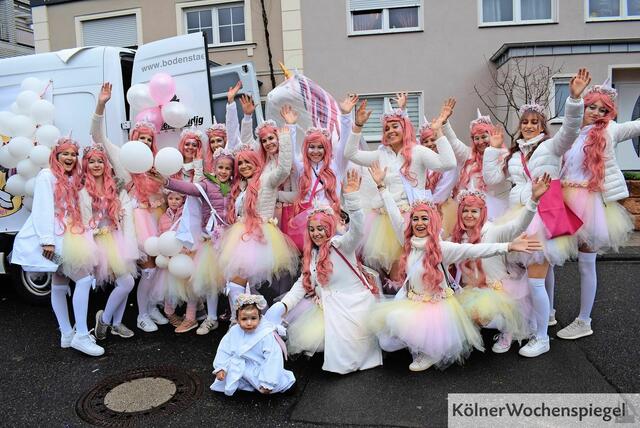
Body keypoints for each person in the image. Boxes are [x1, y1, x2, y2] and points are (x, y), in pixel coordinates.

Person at [483, 68, 592, 357]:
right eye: (525, 122)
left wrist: (574, 99)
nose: (529, 126)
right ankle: (530, 325)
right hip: (518, 218)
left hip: (541, 221)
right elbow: (492, 179)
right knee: (526, 281)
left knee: (534, 281)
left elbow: (570, 129)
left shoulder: (551, 147)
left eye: (535, 122)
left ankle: (542, 338)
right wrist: (492, 150)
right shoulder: (515, 154)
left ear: (543, 126)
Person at [370, 198, 543, 371]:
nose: (419, 223)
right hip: (411, 301)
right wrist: (382, 187)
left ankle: (431, 351)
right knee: (386, 343)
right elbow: (395, 217)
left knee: (401, 324)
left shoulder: (442, 248)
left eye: (425, 218)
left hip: (434, 308)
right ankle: (421, 344)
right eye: (415, 219)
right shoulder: (409, 243)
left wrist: (509, 246)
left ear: (432, 221)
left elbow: (475, 250)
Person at [266, 170, 382, 374]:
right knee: (329, 349)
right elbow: (302, 284)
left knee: (353, 357)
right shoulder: (312, 255)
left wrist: (353, 199)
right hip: (330, 306)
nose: (316, 233)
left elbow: (357, 231)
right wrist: (282, 306)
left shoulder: (341, 245)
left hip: (354, 306)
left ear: (330, 228)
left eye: (321, 228)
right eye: (312, 229)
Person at [555, 80, 639, 340]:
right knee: (549, 257)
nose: (597, 113)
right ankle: (546, 312)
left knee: (585, 262)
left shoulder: (610, 131)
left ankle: (584, 320)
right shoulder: (570, 133)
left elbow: (635, 126)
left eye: (604, 110)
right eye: (592, 107)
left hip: (589, 203)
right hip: (562, 199)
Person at [343, 100, 457, 276]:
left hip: (413, 219)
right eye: (386, 129)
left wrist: (438, 130)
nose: (390, 131)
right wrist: (358, 126)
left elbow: (448, 163)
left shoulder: (418, 151)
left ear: (405, 128)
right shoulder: (380, 154)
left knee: (417, 268)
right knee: (394, 273)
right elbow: (350, 153)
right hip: (384, 221)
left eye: (395, 126)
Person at [12, 138, 103, 356]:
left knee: (60, 282)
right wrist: (47, 241)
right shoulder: (47, 175)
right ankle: (81, 335)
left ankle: (66, 334)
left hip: (68, 236)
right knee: (82, 279)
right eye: (65, 154)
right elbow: (42, 208)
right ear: (56, 155)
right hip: (52, 241)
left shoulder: (71, 178)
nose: (70, 158)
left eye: (73, 154)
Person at [92, 82, 167, 333]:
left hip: (156, 218)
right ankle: (142, 314)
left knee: (156, 267)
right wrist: (101, 105)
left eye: (149, 139)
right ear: (134, 139)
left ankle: (151, 306)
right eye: (141, 138)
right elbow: (97, 137)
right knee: (146, 269)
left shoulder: (155, 163)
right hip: (134, 222)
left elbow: (167, 190)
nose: (145, 142)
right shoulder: (123, 157)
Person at [448, 173, 550, 353]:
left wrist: (533, 200)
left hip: (498, 289)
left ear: (482, 213)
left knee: (479, 315)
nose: (469, 215)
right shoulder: (458, 237)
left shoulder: (492, 231)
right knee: (454, 313)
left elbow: (517, 226)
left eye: (474, 211)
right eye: (465, 210)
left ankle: (508, 327)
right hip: (473, 289)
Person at [153, 147, 235, 335]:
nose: (223, 171)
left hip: (231, 239)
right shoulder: (206, 184)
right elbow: (188, 188)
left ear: (232, 171)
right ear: (214, 167)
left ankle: (236, 318)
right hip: (210, 240)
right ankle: (211, 318)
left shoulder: (235, 186)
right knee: (211, 280)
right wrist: (166, 181)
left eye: (227, 168)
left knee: (233, 280)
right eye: (220, 167)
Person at [219, 128, 299, 316]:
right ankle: (246, 319)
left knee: (238, 280)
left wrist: (285, 137)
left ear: (256, 163)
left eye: (248, 162)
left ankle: (242, 320)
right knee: (241, 282)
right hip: (242, 235)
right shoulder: (241, 186)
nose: (244, 166)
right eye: (241, 163)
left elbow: (284, 168)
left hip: (259, 235)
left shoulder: (267, 180)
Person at [79, 144, 139, 341]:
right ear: (85, 164)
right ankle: (105, 320)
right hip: (99, 239)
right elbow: (84, 220)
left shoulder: (114, 185)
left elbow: (125, 207)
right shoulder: (82, 191)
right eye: (92, 161)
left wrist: (120, 215)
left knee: (125, 281)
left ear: (106, 164)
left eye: (100, 161)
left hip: (116, 237)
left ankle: (113, 322)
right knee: (126, 282)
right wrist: (97, 231)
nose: (96, 165)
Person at [211, 293, 295, 396]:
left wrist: (268, 382)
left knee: (271, 386)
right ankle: (244, 384)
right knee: (230, 372)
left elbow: (273, 358)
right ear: (237, 320)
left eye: (253, 318)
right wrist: (221, 367)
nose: (249, 323)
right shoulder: (234, 331)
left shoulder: (265, 334)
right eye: (244, 319)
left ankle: (270, 383)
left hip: (260, 367)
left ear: (259, 318)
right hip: (241, 365)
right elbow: (224, 349)